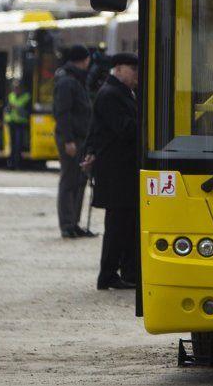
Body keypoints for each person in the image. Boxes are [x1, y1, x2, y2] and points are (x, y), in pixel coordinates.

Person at [81, 53, 139, 290]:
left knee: (127, 225)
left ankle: (128, 272)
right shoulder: (111, 94)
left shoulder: (122, 92)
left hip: (122, 172)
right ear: (119, 69)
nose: (136, 74)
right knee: (117, 226)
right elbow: (124, 129)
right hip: (117, 173)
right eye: (132, 69)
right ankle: (108, 274)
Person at [53, 44, 94, 238]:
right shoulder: (67, 81)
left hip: (80, 138)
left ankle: (74, 223)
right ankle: (67, 225)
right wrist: (68, 140)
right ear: (84, 60)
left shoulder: (76, 79)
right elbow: (63, 113)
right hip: (71, 139)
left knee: (79, 181)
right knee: (69, 181)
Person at [5, 79, 31, 170]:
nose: (16, 90)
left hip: (21, 124)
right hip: (11, 123)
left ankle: (18, 164)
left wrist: (17, 108)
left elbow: (28, 113)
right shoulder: (10, 96)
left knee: (19, 144)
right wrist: (9, 108)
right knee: (12, 144)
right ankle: (11, 164)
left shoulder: (26, 97)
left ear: (21, 89)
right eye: (14, 88)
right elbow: (6, 110)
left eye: (17, 88)